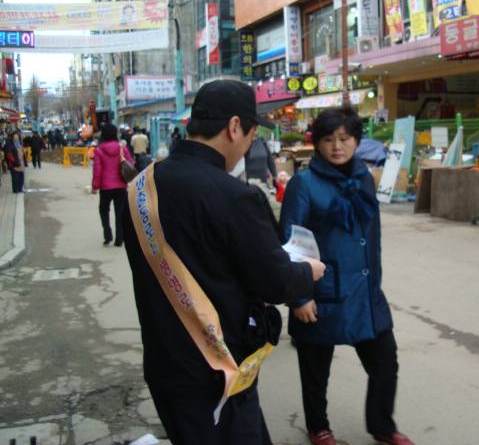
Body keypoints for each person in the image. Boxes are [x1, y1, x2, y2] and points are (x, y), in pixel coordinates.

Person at [121, 79, 325, 445]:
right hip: (218, 372)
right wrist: (307, 271)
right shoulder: (235, 196)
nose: (248, 145)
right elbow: (275, 282)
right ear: (234, 127)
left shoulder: (141, 187)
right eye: (251, 135)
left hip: (164, 364)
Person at [278, 107, 415, 445]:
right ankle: (318, 426)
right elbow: (291, 241)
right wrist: (300, 297)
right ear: (317, 143)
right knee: (315, 369)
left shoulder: (364, 177)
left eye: (345, 138)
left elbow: (372, 236)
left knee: (385, 362)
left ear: (356, 140)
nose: (337, 146)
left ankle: (382, 425)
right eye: (328, 139)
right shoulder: (303, 183)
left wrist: (375, 282)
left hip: (365, 290)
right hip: (321, 291)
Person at [91, 124, 134, 246]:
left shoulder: (99, 150)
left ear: (103, 136)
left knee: (104, 210)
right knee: (120, 213)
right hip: (121, 186)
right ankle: (119, 239)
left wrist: (95, 186)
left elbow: (97, 170)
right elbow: (130, 163)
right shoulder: (122, 148)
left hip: (105, 187)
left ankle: (107, 235)